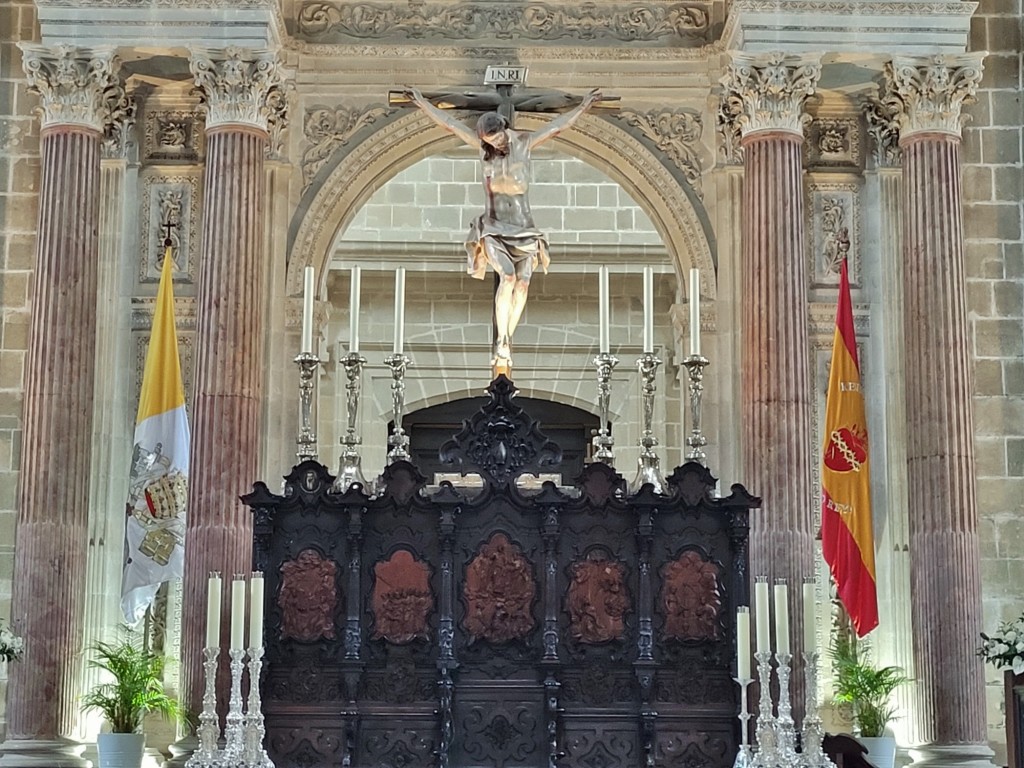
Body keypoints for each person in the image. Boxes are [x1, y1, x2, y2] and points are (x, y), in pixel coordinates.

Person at [407, 87, 603, 365]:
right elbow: (449, 125)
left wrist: (583, 106)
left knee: (522, 283)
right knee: (508, 277)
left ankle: (508, 338)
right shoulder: (483, 151)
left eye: (496, 138)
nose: (495, 145)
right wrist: (423, 103)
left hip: (525, 229)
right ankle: (502, 340)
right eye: (488, 141)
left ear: (505, 128)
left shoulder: (524, 143)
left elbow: (558, 126)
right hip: (494, 227)